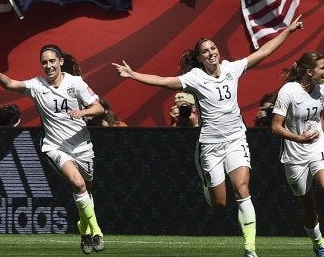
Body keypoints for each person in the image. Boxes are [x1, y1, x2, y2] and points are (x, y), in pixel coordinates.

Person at [112, 15, 304, 257]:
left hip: (236, 139)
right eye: (205, 51)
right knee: (219, 203)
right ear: (200, 58)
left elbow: (264, 51)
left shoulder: (232, 69)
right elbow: (163, 81)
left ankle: (250, 248)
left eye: (213, 48)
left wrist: (288, 31)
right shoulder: (195, 77)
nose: (211, 53)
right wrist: (133, 74)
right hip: (210, 146)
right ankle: (207, 184)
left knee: (242, 190)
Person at [0, 45, 106, 254]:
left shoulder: (75, 83)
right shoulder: (37, 85)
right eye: (44, 62)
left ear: (60, 62)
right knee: (77, 184)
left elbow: (100, 108)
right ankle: (97, 232)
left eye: (51, 61)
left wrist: (83, 112)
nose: (47, 66)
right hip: (54, 146)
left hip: (81, 145)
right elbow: (11, 84)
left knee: (87, 190)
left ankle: (84, 229)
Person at [270, 51, 324, 257]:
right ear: (309, 72)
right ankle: (319, 245)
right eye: (322, 68)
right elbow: (275, 127)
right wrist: (299, 138)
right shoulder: (288, 91)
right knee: (307, 204)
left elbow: (318, 115)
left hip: (317, 145)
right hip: (294, 154)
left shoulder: (323, 86)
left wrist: (320, 138)